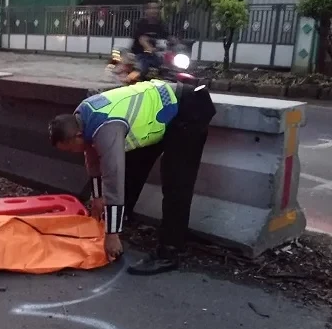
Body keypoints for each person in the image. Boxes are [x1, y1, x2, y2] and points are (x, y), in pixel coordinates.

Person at [48, 80, 216, 275]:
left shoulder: (107, 128)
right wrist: (97, 196)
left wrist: (111, 235)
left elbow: (113, 178)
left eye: (70, 149)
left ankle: (169, 252)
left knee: (176, 183)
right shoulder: (81, 115)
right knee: (134, 167)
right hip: (160, 115)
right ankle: (120, 221)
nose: (72, 152)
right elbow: (92, 157)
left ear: (77, 135)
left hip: (189, 109)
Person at [131, 1, 172, 80]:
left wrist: (177, 43)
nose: (154, 10)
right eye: (151, 8)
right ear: (146, 11)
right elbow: (142, 39)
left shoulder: (161, 24)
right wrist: (149, 47)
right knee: (141, 70)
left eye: (156, 8)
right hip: (140, 55)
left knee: (170, 70)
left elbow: (167, 37)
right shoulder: (141, 23)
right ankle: (131, 85)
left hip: (157, 55)